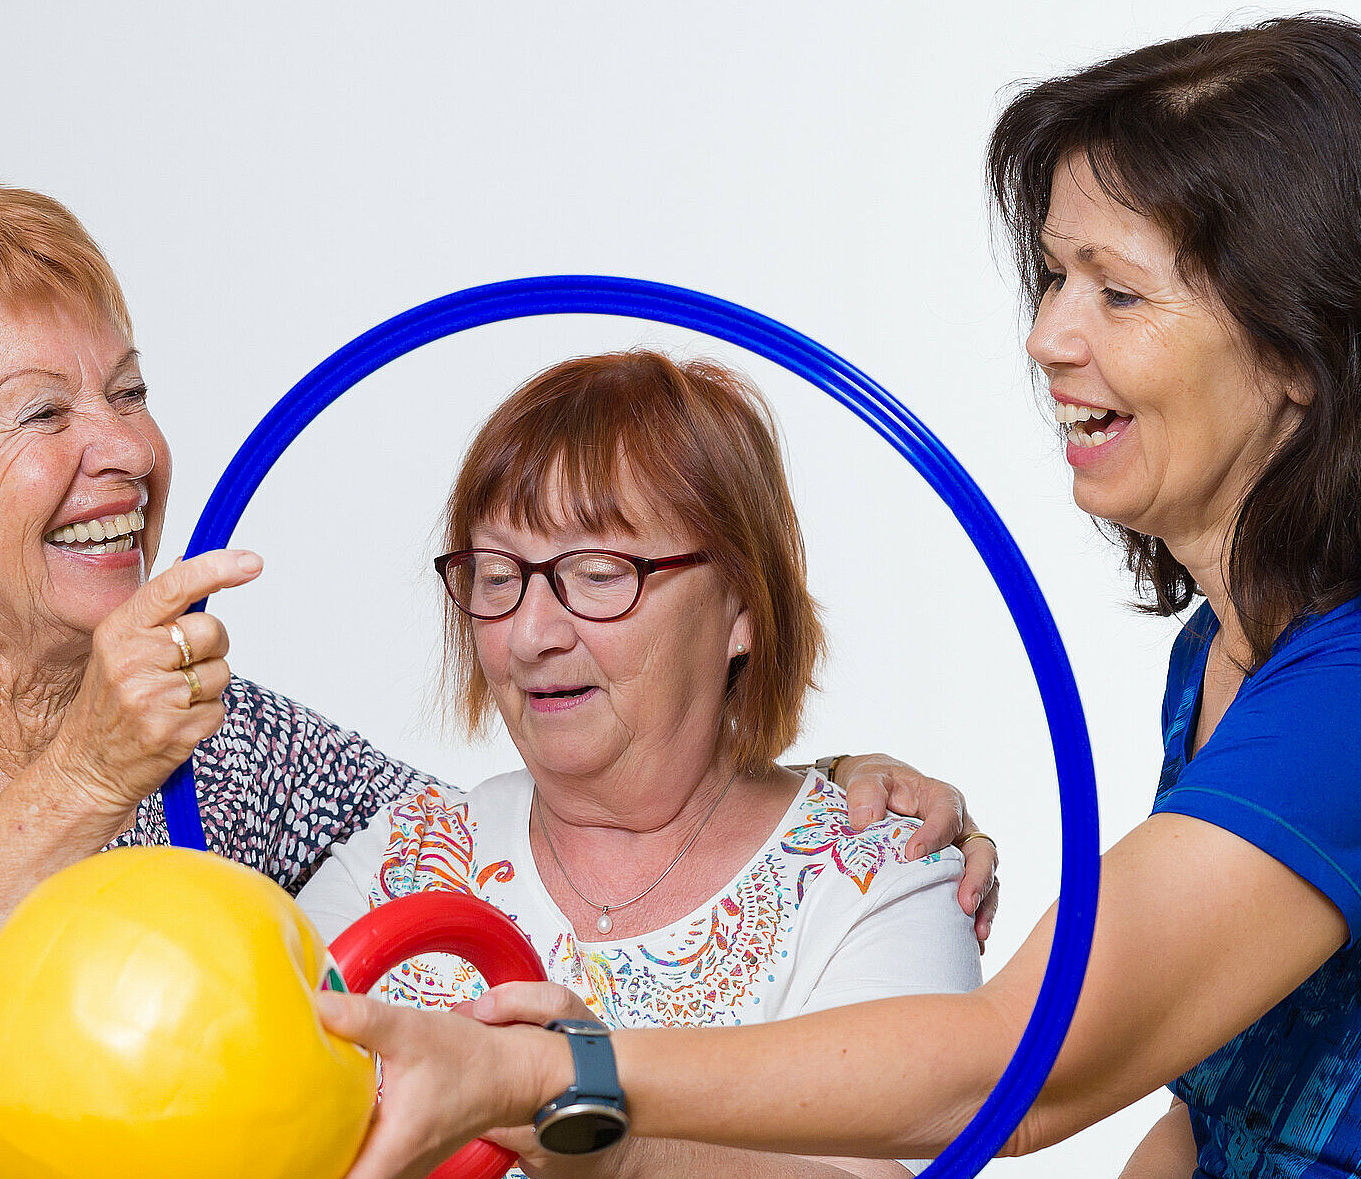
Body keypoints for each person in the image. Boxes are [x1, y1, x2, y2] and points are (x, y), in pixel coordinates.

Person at [317, 17, 1361, 1179]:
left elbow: (1016, 1068)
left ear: (1306, 346)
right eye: (1056, 277)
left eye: (1117, 291)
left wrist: (557, 1070)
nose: (1047, 336)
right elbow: (1223, 1116)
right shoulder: (1224, 652)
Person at [0, 182, 998, 1179]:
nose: (124, 449)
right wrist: (86, 773)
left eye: (126, 390)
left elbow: (553, 827)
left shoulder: (237, 742)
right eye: (43, 413)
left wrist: (826, 788)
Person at [293, 350, 980, 1179]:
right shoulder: (399, 857)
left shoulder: (875, 876)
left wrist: (621, 1154)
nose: (530, 635)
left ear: (742, 605)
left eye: (598, 574)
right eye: (498, 576)